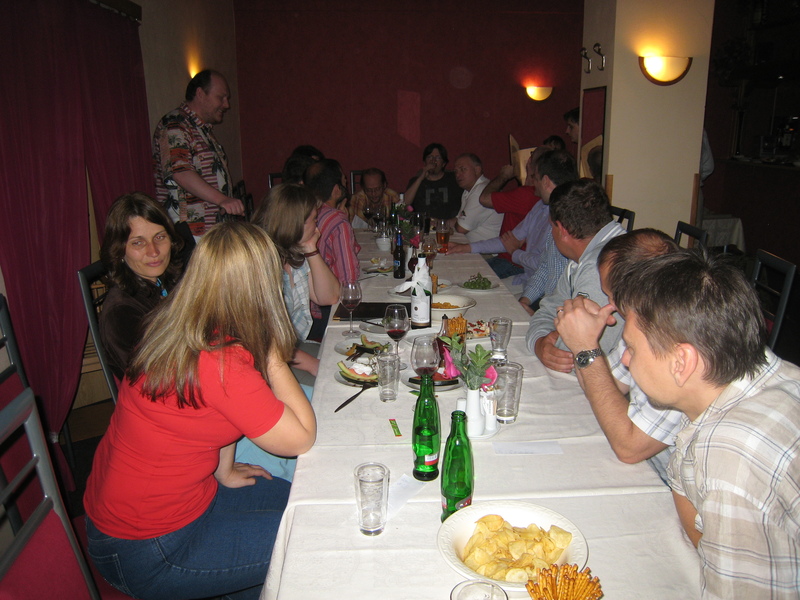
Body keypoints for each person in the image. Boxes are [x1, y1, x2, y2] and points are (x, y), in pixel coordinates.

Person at [84, 222, 317, 600]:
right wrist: (273, 353)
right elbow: (301, 439)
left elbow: (217, 412)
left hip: (170, 507)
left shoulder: (181, 323)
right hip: (147, 548)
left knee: (300, 501)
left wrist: (225, 470)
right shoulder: (221, 360)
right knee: (311, 537)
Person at [613, 249, 800, 599]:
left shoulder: (731, 456)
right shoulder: (753, 372)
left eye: (632, 349)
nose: (624, 359)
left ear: (681, 362)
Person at [553, 229, 683, 480]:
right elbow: (601, 386)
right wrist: (583, 338)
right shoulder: (643, 320)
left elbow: (630, 448)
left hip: (666, 481)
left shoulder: (677, 340)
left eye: (611, 296)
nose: (609, 306)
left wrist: (585, 347)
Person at [526, 178, 626, 369]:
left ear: (562, 230)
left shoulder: (601, 267)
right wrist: (539, 342)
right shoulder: (583, 255)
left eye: (552, 227)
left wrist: (543, 344)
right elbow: (548, 309)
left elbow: (575, 360)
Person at [449, 150, 576, 288]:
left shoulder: (566, 216)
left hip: (535, 282)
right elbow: (508, 241)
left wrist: (515, 253)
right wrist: (466, 247)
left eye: (534, 177)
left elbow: (544, 267)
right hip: (527, 279)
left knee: (468, 284)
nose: (533, 182)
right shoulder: (540, 206)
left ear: (545, 181)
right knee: (462, 280)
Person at [99, 193, 183, 381]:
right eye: (138, 243)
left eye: (159, 237)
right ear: (119, 250)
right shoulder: (121, 312)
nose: (153, 251)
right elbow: (156, 380)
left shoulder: (165, 283)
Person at [152, 69, 244, 239]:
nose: (226, 105)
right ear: (200, 94)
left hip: (209, 231)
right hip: (190, 232)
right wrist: (222, 200)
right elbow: (180, 172)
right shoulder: (175, 124)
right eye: (221, 97)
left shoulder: (201, 129)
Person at [304, 159, 361, 340]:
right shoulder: (337, 222)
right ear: (336, 190)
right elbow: (349, 281)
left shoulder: (306, 214)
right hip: (322, 314)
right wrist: (344, 223)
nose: (346, 184)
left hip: (306, 309)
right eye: (344, 180)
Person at [473, 148, 546, 278]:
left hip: (513, 263)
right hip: (515, 259)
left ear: (529, 162)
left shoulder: (527, 195)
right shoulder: (536, 198)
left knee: (466, 276)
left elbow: (484, 199)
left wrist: (504, 176)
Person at [403, 143, 463, 220]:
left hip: (448, 225)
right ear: (425, 162)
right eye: (430, 157)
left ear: (443, 164)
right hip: (424, 225)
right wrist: (421, 177)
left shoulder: (453, 179)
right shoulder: (416, 181)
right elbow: (404, 204)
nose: (433, 161)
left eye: (438, 158)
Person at [452, 153, 499, 243]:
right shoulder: (468, 190)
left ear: (477, 170)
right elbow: (458, 220)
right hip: (474, 246)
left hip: (488, 250)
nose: (457, 175)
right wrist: (439, 223)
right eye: (456, 171)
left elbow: (461, 228)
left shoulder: (481, 190)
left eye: (463, 169)